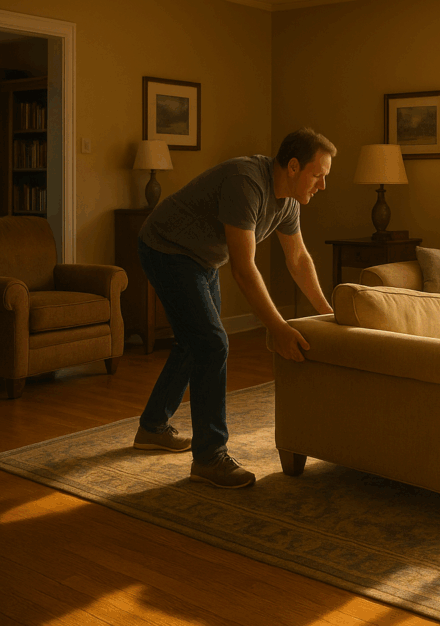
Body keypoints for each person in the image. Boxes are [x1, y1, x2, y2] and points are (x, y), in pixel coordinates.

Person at [131, 127, 336, 489]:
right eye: (318, 175)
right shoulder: (247, 184)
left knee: (192, 342)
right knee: (212, 343)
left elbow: (299, 259)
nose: (322, 185)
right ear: (293, 167)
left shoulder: (287, 200)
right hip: (166, 248)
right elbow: (244, 270)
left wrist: (327, 313)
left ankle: (152, 427)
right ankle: (209, 457)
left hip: (202, 259)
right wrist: (278, 327)